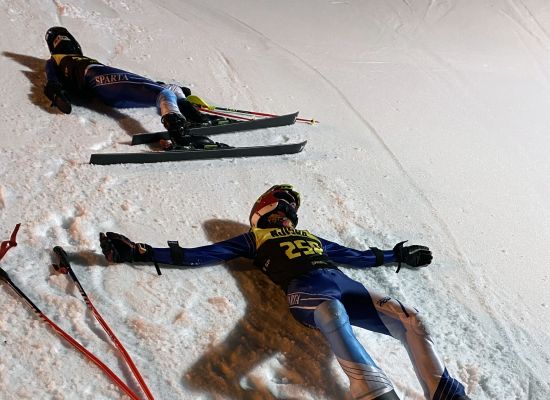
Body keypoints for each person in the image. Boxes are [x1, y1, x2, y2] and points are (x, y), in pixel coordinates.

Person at [99, 184, 470, 400]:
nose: (285, 215)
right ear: (262, 213)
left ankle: (445, 394)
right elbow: (200, 254)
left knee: (410, 319)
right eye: (280, 208)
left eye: (288, 212)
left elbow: (356, 257)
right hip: (305, 293)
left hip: (344, 284)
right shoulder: (252, 238)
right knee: (331, 314)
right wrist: (141, 252)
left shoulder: (312, 237)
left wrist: (398, 255)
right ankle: (372, 393)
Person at [43, 26, 218, 148]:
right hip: (96, 78)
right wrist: (57, 94)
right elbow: (52, 81)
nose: (62, 42)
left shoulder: (77, 58)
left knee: (171, 89)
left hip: (105, 80)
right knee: (164, 93)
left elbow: (124, 82)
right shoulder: (54, 61)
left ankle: (193, 115)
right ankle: (180, 135)